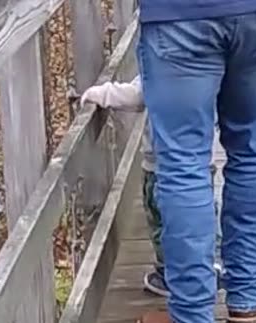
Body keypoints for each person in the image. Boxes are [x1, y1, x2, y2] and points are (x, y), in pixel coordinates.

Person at [134, 0, 256, 323]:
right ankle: (248, 298)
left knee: (182, 162)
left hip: (179, 16)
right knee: (253, 150)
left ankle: (192, 318)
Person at [81, 76, 226, 297]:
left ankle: (171, 274)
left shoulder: (164, 58)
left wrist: (102, 94)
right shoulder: (210, 63)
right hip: (202, 160)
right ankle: (210, 264)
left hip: (161, 163)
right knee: (204, 213)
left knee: (161, 219)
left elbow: (138, 94)